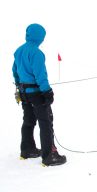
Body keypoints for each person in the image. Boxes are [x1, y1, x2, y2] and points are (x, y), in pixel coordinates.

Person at [12, 23, 67, 166]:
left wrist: (19, 86)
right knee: (45, 122)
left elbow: (15, 72)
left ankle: (27, 150)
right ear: (40, 37)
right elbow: (40, 75)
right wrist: (47, 91)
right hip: (37, 94)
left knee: (28, 120)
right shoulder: (36, 53)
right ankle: (49, 156)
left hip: (24, 93)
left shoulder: (19, 51)